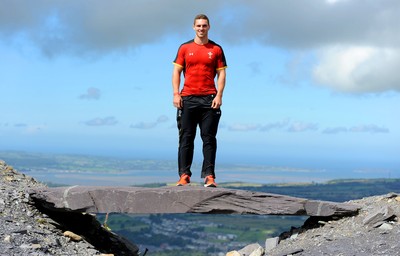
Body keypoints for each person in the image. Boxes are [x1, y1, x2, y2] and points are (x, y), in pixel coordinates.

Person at [172, 14, 227, 187]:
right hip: (187, 98)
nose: (201, 28)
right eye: (198, 26)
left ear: (209, 27)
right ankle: (184, 175)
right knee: (186, 138)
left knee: (209, 138)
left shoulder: (216, 49)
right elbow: (176, 72)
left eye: (204, 26)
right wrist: (176, 93)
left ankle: (209, 176)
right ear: (193, 27)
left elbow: (222, 74)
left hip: (209, 99)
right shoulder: (184, 48)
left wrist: (219, 95)